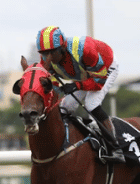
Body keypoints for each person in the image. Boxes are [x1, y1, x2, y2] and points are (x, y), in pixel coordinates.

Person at [36, 26, 126, 164]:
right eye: (43, 53)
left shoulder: (86, 50)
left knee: (91, 104)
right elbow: (52, 82)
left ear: (62, 48)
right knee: (64, 107)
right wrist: (55, 87)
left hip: (105, 68)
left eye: (51, 52)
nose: (47, 58)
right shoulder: (46, 60)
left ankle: (116, 149)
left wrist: (76, 85)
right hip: (85, 73)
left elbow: (98, 82)